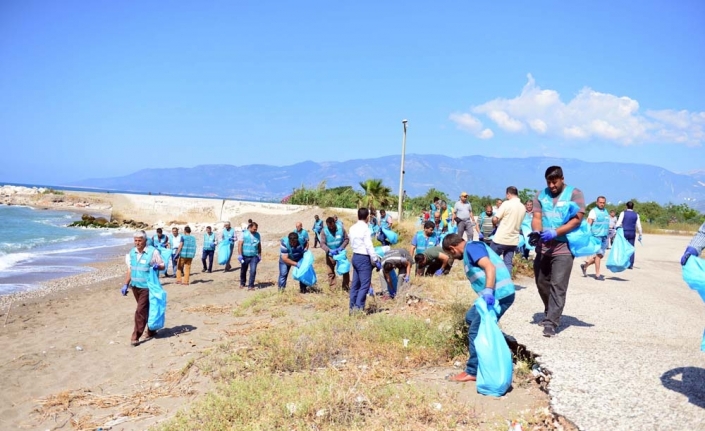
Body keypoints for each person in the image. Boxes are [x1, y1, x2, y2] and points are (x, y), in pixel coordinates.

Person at [441, 233, 515, 383]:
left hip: (499, 295)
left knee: (475, 330)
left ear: (452, 248)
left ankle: (472, 371)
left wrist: (488, 290)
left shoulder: (472, 248)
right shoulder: (471, 250)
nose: (453, 258)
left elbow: (489, 267)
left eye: (451, 254)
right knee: (470, 318)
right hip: (492, 296)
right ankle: (504, 342)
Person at [531, 165, 586, 337]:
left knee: (558, 284)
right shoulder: (541, 195)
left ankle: (551, 321)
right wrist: (536, 232)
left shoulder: (575, 194)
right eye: (549, 182)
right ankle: (550, 310)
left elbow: (576, 220)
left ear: (562, 178)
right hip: (544, 246)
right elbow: (537, 217)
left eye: (554, 182)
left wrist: (556, 232)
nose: (552, 186)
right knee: (541, 281)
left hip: (563, 247)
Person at [122, 231, 165, 346]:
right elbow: (130, 269)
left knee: (140, 311)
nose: (137, 243)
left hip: (147, 287)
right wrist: (126, 284)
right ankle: (152, 330)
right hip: (135, 287)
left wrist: (157, 266)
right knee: (146, 309)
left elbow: (162, 265)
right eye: (135, 240)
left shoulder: (153, 252)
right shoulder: (132, 252)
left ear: (145, 241)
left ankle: (136, 336)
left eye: (140, 240)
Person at [348, 208, 381, 314]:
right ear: (367, 217)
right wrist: (375, 260)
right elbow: (369, 245)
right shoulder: (366, 228)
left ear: (358, 216)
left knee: (355, 284)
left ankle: (352, 307)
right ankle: (358, 308)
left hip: (355, 256)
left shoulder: (352, 228)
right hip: (363, 258)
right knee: (365, 285)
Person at [490, 186, 525, 275]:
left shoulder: (506, 204)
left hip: (501, 238)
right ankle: (507, 283)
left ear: (508, 194)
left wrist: (494, 223)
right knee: (508, 263)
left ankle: (489, 280)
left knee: (490, 259)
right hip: (513, 240)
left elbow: (495, 218)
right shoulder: (522, 207)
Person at [580, 196, 610, 280]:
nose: (602, 204)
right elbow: (589, 223)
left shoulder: (606, 211)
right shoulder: (593, 211)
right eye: (600, 202)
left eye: (603, 203)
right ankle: (597, 274)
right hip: (596, 236)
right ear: (597, 202)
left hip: (604, 236)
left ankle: (585, 266)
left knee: (600, 256)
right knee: (598, 254)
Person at [320, 216, 351, 291]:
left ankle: (345, 287)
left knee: (345, 270)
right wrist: (329, 250)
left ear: (334, 223)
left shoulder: (341, 229)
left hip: (340, 253)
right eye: (329, 226)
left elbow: (346, 239)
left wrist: (342, 247)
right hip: (330, 255)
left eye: (332, 225)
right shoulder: (324, 231)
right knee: (330, 272)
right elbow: (322, 244)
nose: (330, 227)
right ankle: (333, 288)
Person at [615, 202, 643, 269]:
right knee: (631, 248)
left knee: (623, 247)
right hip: (632, 232)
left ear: (626, 206)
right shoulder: (636, 215)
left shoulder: (623, 213)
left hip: (624, 231)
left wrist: (616, 229)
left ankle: (623, 262)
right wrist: (640, 234)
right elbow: (639, 225)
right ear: (633, 207)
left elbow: (618, 223)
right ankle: (630, 264)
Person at [238, 222, 262, 290]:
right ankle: (242, 283)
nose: (255, 230)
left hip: (254, 256)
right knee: (243, 270)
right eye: (254, 229)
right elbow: (240, 244)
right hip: (245, 256)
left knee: (253, 270)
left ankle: (251, 285)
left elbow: (259, 245)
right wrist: (240, 255)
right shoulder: (244, 234)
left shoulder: (258, 235)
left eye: (256, 229)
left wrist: (260, 255)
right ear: (250, 227)